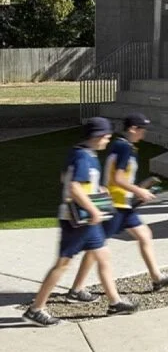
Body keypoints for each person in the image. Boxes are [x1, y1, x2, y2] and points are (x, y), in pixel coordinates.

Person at [22, 117, 138, 326]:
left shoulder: (81, 152)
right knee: (62, 264)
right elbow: (74, 187)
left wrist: (96, 190)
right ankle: (36, 309)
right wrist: (93, 208)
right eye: (107, 136)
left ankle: (115, 302)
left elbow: (64, 178)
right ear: (98, 136)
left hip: (85, 220)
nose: (108, 140)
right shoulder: (84, 157)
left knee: (103, 255)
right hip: (76, 220)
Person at [67, 112, 168, 300]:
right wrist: (139, 191)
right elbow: (117, 179)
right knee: (97, 247)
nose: (144, 133)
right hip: (116, 205)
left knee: (144, 235)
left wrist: (141, 187)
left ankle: (156, 277)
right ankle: (77, 289)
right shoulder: (124, 148)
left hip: (124, 204)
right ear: (132, 129)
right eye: (142, 129)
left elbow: (118, 177)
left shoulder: (122, 146)